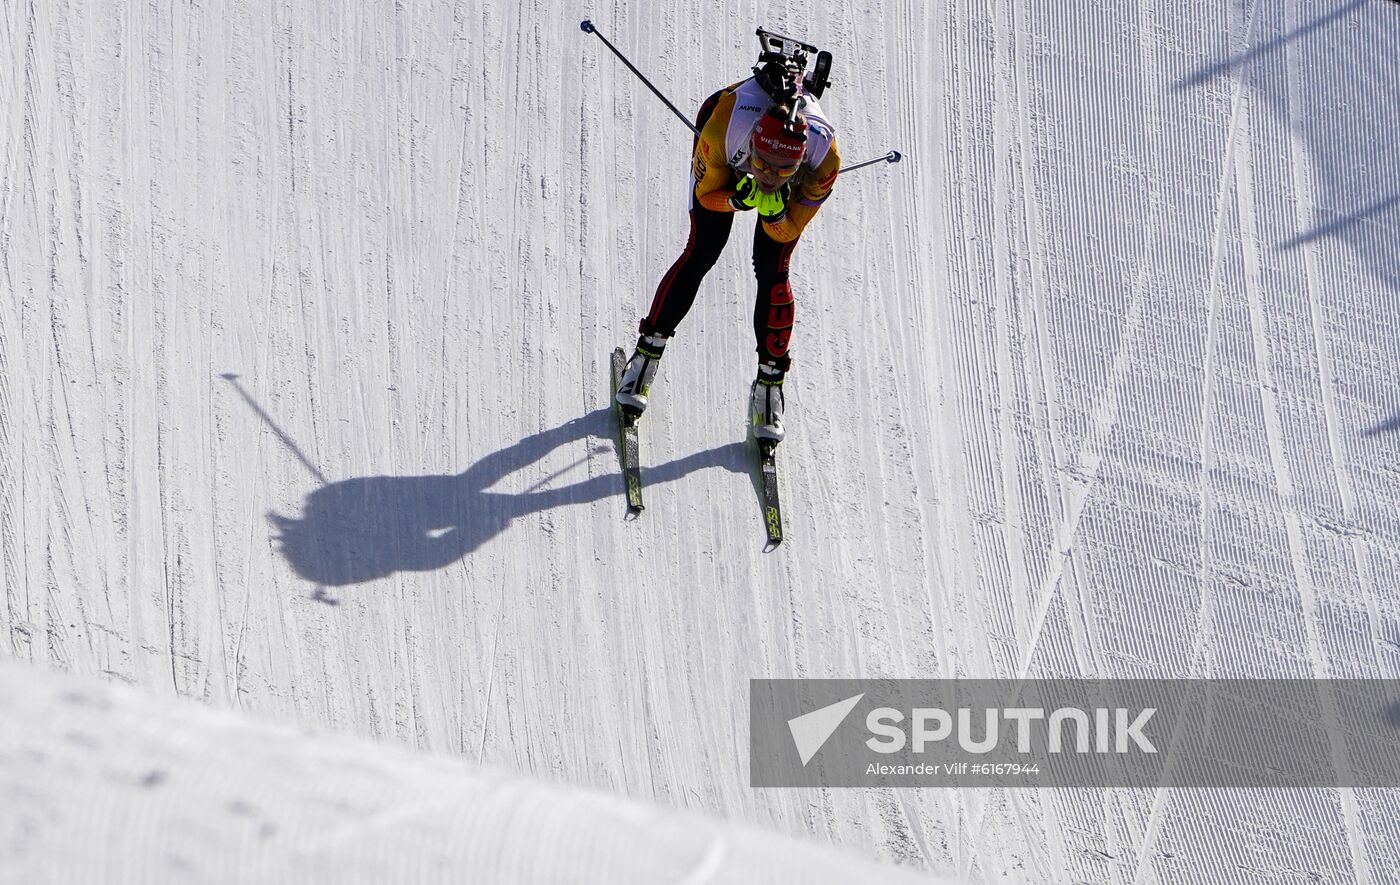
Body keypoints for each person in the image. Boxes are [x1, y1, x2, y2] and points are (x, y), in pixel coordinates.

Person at [614, 67, 840, 443]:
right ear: (752, 146)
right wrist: (736, 198)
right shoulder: (724, 128)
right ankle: (645, 357)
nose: (769, 176)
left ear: (800, 163)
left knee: (774, 269)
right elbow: (707, 197)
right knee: (703, 249)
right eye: (763, 164)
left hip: (763, 163)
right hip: (725, 149)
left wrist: (776, 213)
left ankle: (770, 386)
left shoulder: (825, 156)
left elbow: (787, 231)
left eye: (783, 170)